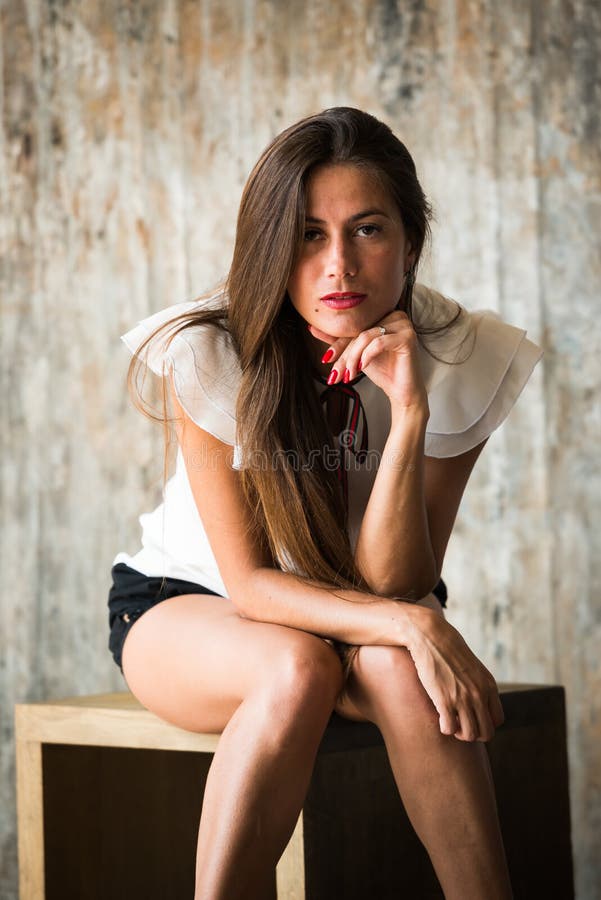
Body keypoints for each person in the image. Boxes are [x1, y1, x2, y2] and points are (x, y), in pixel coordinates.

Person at [107, 106, 542, 899]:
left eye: (367, 230)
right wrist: (414, 623)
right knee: (298, 666)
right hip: (196, 608)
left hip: (365, 603)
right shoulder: (213, 350)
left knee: (405, 675)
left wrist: (408, 414)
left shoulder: (461, 353)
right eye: (309, 234)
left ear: (410, 241)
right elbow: (251, 586)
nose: (338, 264)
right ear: (273, 245)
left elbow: (397, 581)